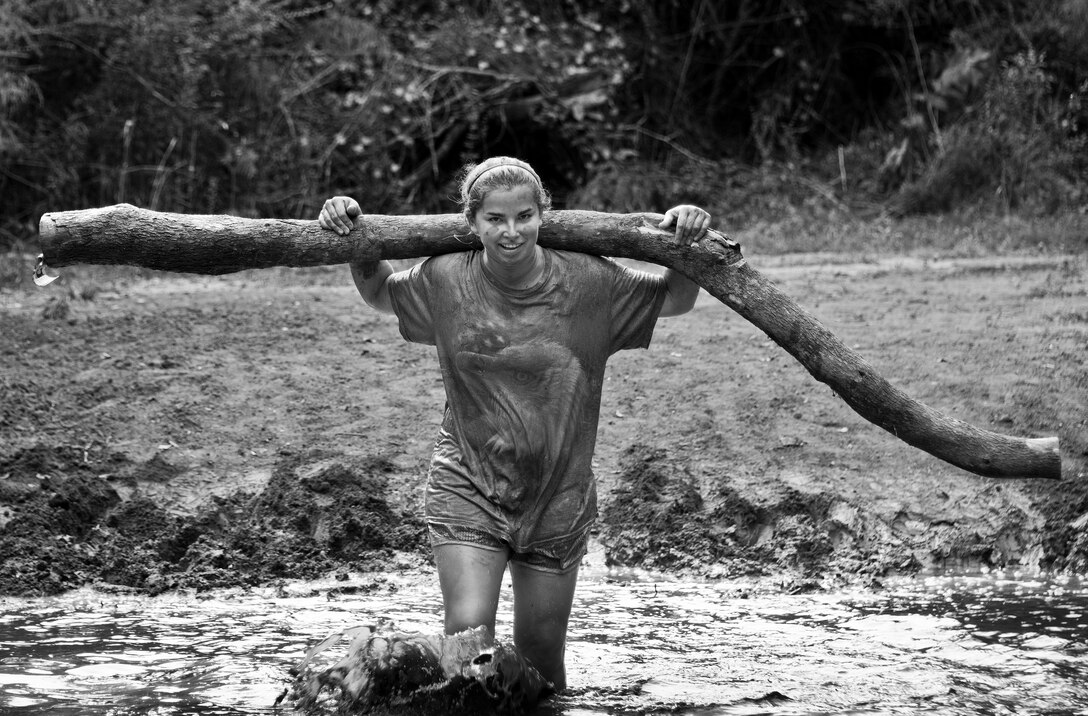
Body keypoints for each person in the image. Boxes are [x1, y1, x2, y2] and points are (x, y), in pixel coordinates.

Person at [317, 156, 710, 692]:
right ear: (471, 224)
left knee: (543, 659)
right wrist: (354, 232)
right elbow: (382, 293)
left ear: (542, 215)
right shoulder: (447, 278)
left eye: (524, 216)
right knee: (467, 639)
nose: (511, 231)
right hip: (468, 482)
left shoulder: (590, 282)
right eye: (495, 220)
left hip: (559, 496)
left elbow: (674, 298)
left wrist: (682, 239)